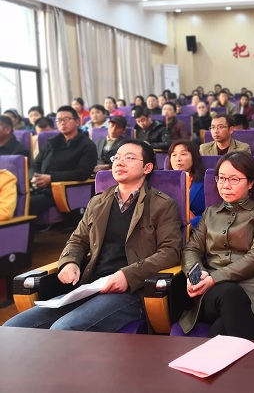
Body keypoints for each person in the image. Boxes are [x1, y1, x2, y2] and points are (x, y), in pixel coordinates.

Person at [4, 139, 182, 332]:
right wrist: (70, 261)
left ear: (147, 167)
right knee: (13, 327)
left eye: (129, 158)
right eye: (117, 158)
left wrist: (128, 275)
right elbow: (77, 240)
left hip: (131, 291)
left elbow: (170, 251)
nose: (120, 162)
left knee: (63, 329)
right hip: (90, 286)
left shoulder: (161, 204)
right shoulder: (97, 202)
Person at [178, 151, 254, 339]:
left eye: (234, 179)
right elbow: (191, 249)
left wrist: (214, 278)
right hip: (213, 292)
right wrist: (197, 275)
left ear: (251, 183)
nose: (225, 185)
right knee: (229, 294)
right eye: (221, 178)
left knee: (222, 326)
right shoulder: (210, 213)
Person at [30, 106, 97, 216]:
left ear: (77, 122)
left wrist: (51, 178)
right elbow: (35, 164)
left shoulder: (87, 145)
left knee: (28, 204)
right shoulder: (51, 142)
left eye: (66, 119)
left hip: (63, 191)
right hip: (39, 188)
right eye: (59, 120)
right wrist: (34, 177)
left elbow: (82, 173)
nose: (62, 123)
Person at [166, 140, 205, 228]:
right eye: (174, 155)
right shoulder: (162, 183)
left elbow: (213, 212)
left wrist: (192, 224)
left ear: (193, 157)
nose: (178, 159)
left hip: (197, 230)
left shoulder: (206, 181)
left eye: (183, 154)